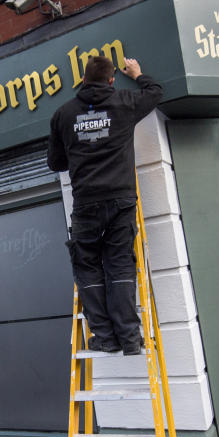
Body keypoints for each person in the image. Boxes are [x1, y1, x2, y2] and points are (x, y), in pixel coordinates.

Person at [47, 55, 163, 355]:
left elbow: (55, 162)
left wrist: (81, 147)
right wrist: (137, 74)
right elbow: (155, 93)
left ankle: (104, 337)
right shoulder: (124, 103)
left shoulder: (63, 114)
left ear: (83, 80)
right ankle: (129, 337)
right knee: (119, 263)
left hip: (86, 202)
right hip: (121, 198)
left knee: (87, 265)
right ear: (111, 80)